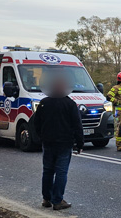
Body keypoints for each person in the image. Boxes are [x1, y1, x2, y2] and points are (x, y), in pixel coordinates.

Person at [33, 74, 84, 210]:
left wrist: (41, 137)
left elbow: (36, 123)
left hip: (47, 142)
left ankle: (46, 199)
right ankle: (57, 200)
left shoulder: (44, 103)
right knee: (61, 172)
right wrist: (80, 144)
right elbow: (77, 125)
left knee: (48, 170)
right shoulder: (70, 104)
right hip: (64, 142)